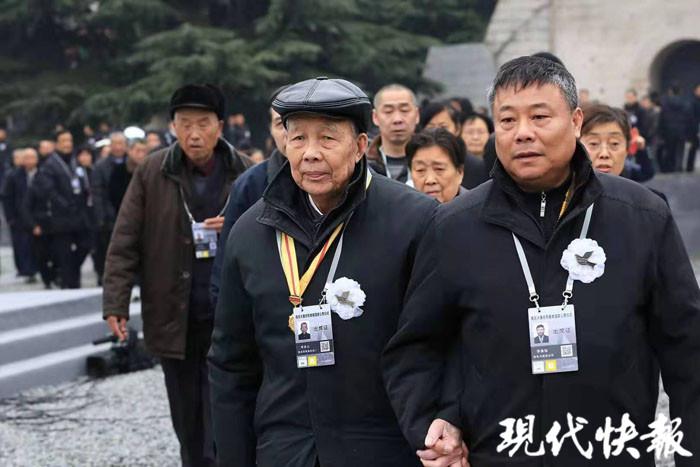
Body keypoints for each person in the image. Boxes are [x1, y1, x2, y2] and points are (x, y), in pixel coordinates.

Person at [383, 55, 700, 466]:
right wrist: (434, 422)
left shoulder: (641, 216)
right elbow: (416, 348)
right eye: (507, 120)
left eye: (539, 117)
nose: (523, 133)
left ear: (576, 121)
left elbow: (687, 352)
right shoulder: (454, 226)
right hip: (497, 454)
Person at [208, 77, 439, 467]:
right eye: (298, 138)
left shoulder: (414, 220)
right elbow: (231, 363)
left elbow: (437, 344)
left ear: (361, 145)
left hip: (385, 447)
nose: (310, 154)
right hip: (285, 449)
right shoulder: (251, 231)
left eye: (328, 139)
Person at [102, 84, 252, 467]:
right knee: (186, 417)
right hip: (173, 312)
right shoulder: (152, 171)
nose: (194, 134)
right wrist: (116, 303)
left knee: (226, 411)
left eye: (203, 123)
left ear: (220, 126)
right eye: (185, 124)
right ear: (172, 127)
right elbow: (125, 239)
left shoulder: (246, 171)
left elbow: (272, 236)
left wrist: (236, 226)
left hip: (230, 315)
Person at [209, 95, 287, 310]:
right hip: (263, 308)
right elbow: (227, 262)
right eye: (281, 124)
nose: (290, 133)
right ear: (270, 130)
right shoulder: (250, 183)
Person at [29, 130, 91, 288]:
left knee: (85, 245)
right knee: (64, 252)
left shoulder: (75, 161)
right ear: (57, 144)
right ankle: (69, 282)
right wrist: (64, 204)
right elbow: (49, 191)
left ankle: (69, 275)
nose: (67, 144)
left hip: (78, 214)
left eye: (69, 140)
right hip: (61, 217)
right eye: (63, 141)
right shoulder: (50, 165)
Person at [420, 102, 487, 190]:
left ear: (457, 129)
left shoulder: (476, 166)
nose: (437, 132)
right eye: (431, 127)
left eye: (443, 127)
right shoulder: (417, 161)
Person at [580, 104, 655, 182]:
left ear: (627, 148)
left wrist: (641, 151)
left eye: (614, 143)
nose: (604, 154)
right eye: (593, 143)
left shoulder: (627, 176)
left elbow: (646, 173)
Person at [92, 132, 128, 285]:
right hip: (110, 216)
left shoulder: (133, 163)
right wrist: (101, 218)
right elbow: (98, 194)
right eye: (115, 144)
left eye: (121, 144)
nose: (118, 147)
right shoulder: (100, 166)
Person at [367, 83, 420, 183]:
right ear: (375, 117)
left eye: (404, 110)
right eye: (388, 111)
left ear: (417, 115)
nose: (397, 119)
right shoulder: (361, 164)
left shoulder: (433, 159)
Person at [1, 148, 38, 281]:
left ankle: (34, 268)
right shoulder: (13, 176)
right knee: (21, 245)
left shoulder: (40, 173)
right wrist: (10, 217)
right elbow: (7, 197)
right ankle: (26, 270)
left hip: (35, 216)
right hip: (18, 217)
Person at [407, 128, 466, 203]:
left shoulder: (477, 208)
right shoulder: (403, 209)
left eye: (439, 169)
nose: (430, 180)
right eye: (420, 170)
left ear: (460, 172)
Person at [658, 83, 692, 172]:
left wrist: (661, 132)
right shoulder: (686, 103)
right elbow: (689, 118)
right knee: (680, 150)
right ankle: (679, 166)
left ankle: (671, 167)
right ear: (680, 91)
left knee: (670, 150)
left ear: (670, 91)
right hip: (682, 130)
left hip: (669, 130)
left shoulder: (665, 103)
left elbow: (662, 118)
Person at [687, 83, 700, 172]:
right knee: (693, 148)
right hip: (695, 128)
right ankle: (690, 167)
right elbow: (692, 117)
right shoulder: (692, 102)